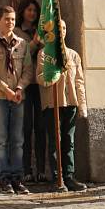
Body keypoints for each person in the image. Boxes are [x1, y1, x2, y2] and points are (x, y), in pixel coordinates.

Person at [0, 5, 30, 195]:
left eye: (12, 19)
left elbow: (28, 70)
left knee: (17, 140)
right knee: (1, 140)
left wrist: (18, 88)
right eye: (7, 19)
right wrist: (6, 90)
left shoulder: (22, 44)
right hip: (0, 98)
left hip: (18, 97)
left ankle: (17, 177)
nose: (10, 22)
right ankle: (4, 178)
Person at [37, 20, 88, 192]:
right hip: (53, 104)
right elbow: (39, 78)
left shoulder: (73, 55)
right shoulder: (44, 54)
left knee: (69, 141)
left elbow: (79, 81)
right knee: (55, 141)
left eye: (65, 28)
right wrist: (52, 73)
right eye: (59, 28)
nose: (63, 31)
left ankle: (69, 176)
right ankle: (56, 177)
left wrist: (82, 105)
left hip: (70, 103)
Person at [15, 0, 47, 183]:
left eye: (35, 10)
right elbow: (24, 55)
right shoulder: (18, 33)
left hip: (41, 84)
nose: (32, 13)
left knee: (41, 127)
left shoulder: (42, 30)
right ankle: (26, 169)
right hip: (26, 85)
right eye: (29, 10)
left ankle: (42, 169)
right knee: (26, 128)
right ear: (22, 12)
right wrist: (35, 42)